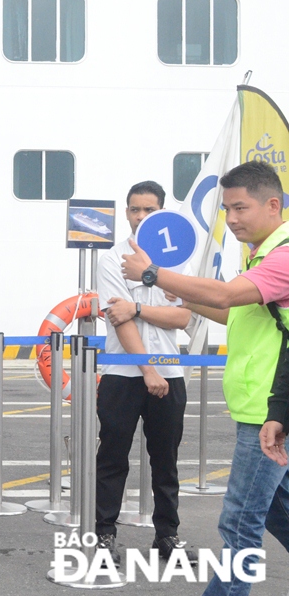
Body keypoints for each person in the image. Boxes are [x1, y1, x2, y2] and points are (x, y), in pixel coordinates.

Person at [120, 161, 289, 596]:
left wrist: (154, 274)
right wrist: (189, 296)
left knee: (239, 523)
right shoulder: (263, 254)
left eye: (240, 208)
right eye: (227, 209)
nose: (231, 219)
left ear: (273, 204)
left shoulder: (285, 255)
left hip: (269, 411)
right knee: (276, 511)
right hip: (261, 407)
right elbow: (235, 311)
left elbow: (228, 295)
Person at [94, 181, 194, 565]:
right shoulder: (113, 259)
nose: (140, 217)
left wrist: (137, 308)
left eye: (149, 210)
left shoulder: (176, 257)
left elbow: (183, 316)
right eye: (134, 210)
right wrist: (148, 371)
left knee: (165, 459)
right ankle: (105, 533)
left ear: (162, 211)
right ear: (126, 213)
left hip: (171, 370)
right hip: (123, 374)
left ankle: (167, 535)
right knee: (113, 457)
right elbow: (118, 318)